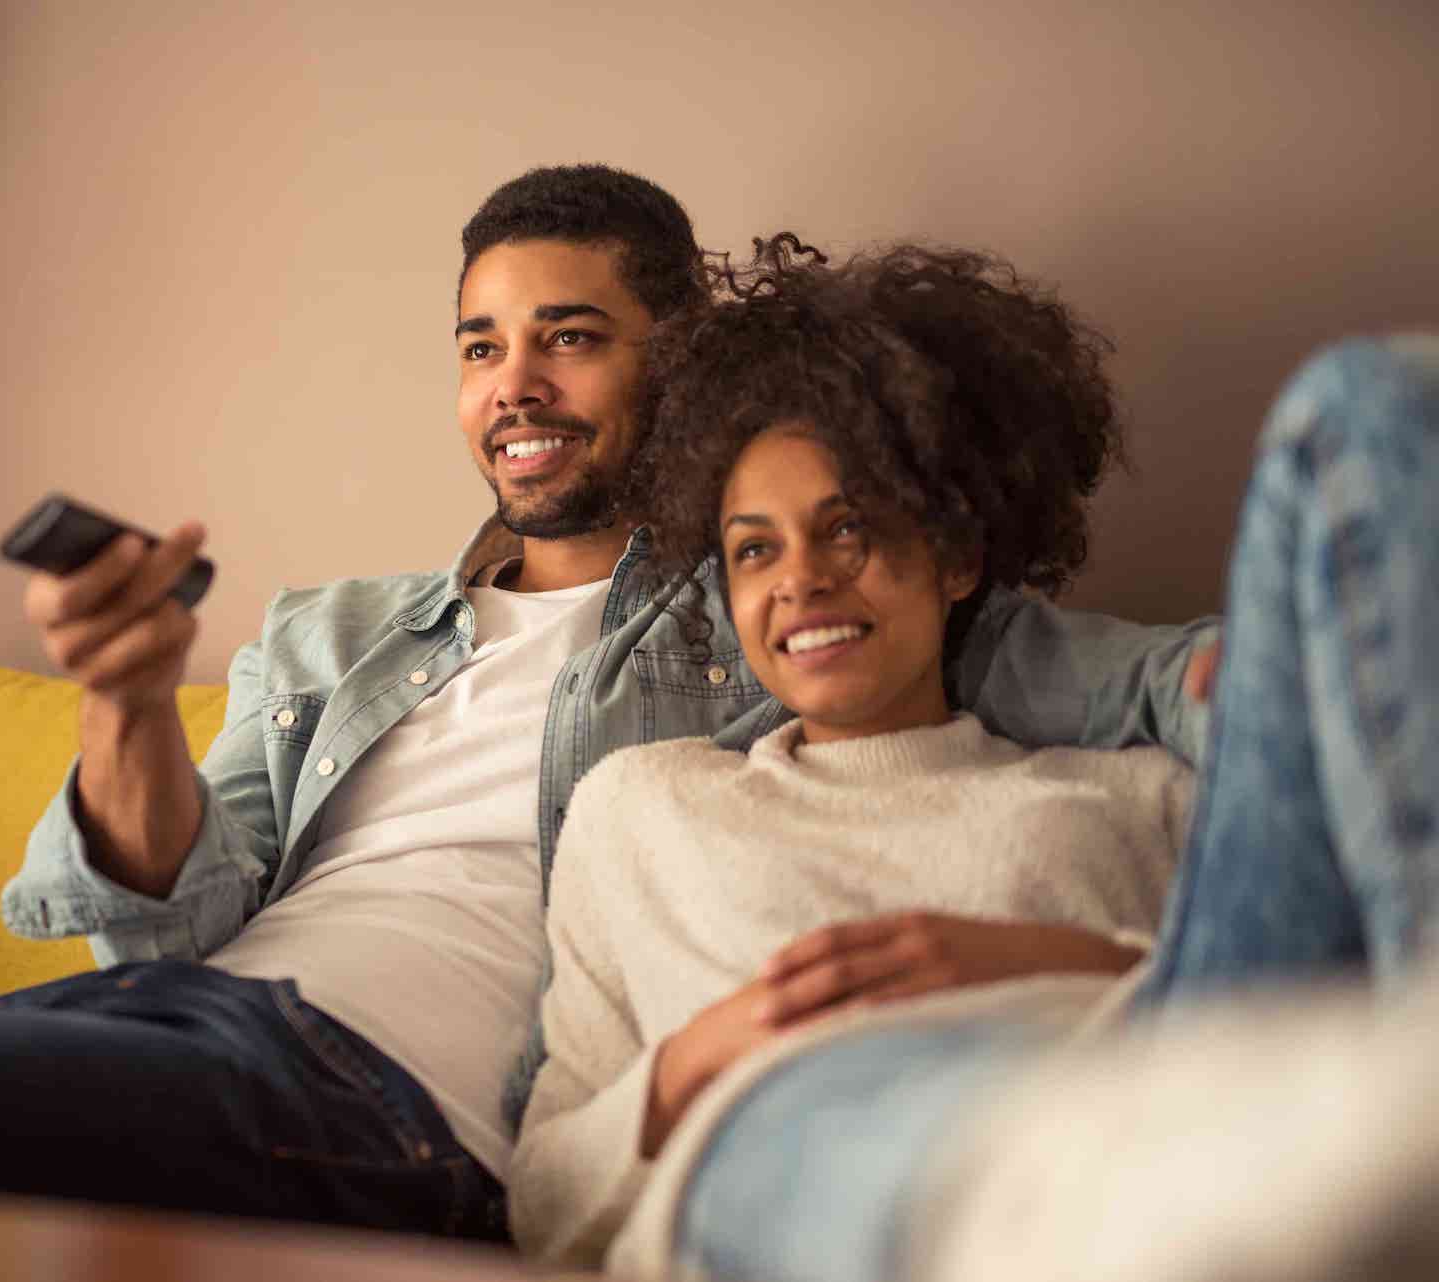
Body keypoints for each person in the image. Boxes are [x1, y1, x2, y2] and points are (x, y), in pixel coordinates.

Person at [0, 167, 1212, 1238]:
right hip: (188, 1034)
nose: (514, 386)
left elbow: (1158, 686)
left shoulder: (782, 601)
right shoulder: (335, 636)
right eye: (478, 346)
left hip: (393, 1109)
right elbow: (160, 914)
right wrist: (121, 701)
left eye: (569, 336)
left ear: (678, 359)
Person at [507, 236, 1439, 1281]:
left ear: (954, 556)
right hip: (811, 1119)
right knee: (860, 1115)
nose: (800, 580)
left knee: (1367, 405)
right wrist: (693, 1060)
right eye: (755, 549)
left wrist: (1043, 958)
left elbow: (1227, 998)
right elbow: (542, 1199)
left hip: (1158, 1068)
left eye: (847, 527)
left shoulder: (1136, 792)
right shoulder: (641, 809)